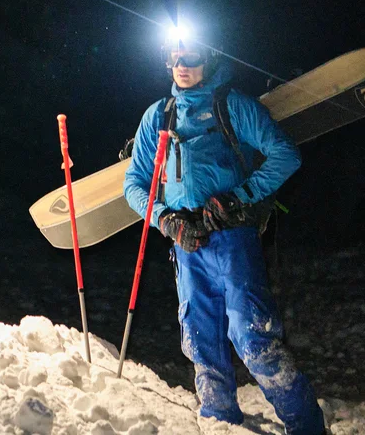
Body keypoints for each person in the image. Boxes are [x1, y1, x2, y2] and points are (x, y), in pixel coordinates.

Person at [123, 36, 327, 435]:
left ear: (210, 58)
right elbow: (135, 183)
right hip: (186, 243)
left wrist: (239, 197)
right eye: (174, 56)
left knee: (252, 336)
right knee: (200, 339)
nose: (182, 64)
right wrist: (164, 219)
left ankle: (306, 426)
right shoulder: (158, 116)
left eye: (192, 56)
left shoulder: (232, 105)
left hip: (232, 238)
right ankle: (220, 422)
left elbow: (286, 155)